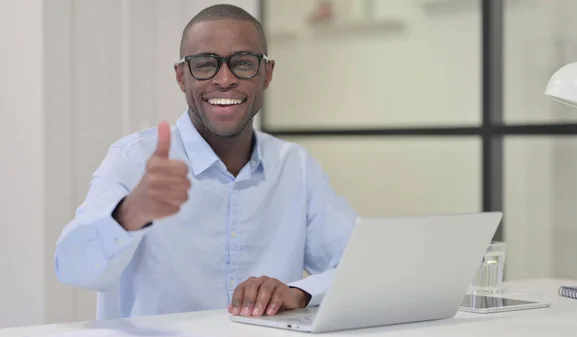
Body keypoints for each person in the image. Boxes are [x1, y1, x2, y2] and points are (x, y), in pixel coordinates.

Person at [54, 3, 358, 319]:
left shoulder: (296, 166)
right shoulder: (133, 160)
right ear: (181, 77)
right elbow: (73, 270)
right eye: (204, 64)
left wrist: (300, 293)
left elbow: (358, 267)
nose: (224, 79)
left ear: (267, 74)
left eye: (242, 63)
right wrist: (131, 213)